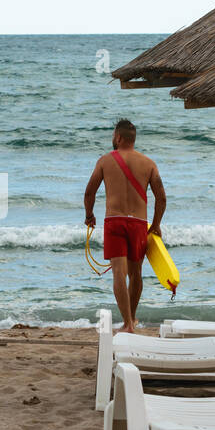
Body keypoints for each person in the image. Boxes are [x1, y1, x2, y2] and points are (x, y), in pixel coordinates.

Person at [83, 118, 166, 333]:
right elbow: (161, 198)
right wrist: (156, 224)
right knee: (135, 273)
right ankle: (133, 319)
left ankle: (127, 323)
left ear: (118, 138)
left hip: (115, 221)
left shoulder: (104, 161)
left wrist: (89, 215)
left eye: (113, 135)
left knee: (118, 273)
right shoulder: (149, 164)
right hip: (138, 223)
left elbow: (89, 192)